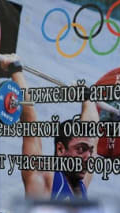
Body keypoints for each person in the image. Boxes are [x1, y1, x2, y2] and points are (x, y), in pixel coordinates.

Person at [10, 65, 100, 200]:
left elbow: (93, 130)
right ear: (60, 149)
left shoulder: (81, 186)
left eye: (90, 151)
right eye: (81, 149)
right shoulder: (44, 181)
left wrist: (87, 97)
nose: (88, 158)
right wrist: (15, 70)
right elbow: (29, 120)